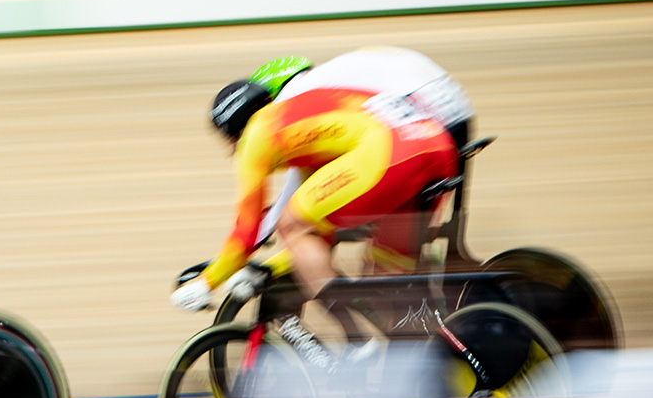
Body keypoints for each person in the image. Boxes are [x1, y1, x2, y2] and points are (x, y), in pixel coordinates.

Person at [171, 79, 458, 315]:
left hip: (393, 152)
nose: (231, 153)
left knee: (290, 224)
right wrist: (269, 268)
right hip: (437, 146)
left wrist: (206, 282)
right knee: (385, 287)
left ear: (236, 133)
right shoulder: (304, 127)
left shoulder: (258, 133)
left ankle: (354, 331)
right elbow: (321, 234)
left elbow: (247, 229)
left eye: (229, 143)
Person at [244, 49, 474, 253]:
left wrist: (257, 237)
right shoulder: (329, 78)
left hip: (427, 123)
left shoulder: (294, 98)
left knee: (343, 207)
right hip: (452, 115)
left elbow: (295, 185)